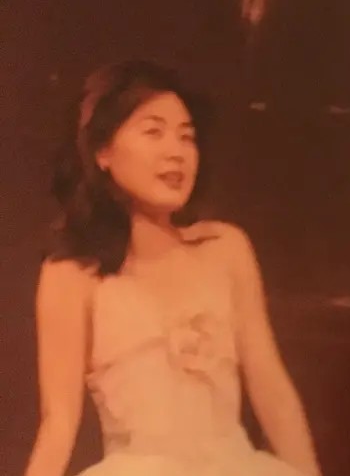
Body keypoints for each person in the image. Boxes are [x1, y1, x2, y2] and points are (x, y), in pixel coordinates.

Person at [22, 60, 323, 476]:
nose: (176, 152)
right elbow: (58, 423)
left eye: (187, 137)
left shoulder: (227, 248)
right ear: (103, 151)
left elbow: (272, 391)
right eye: (153, 132)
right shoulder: (71, 274)